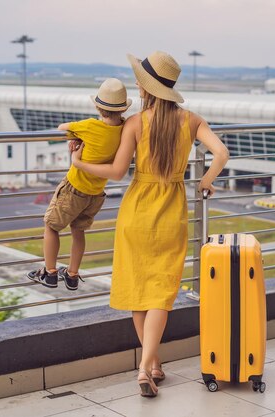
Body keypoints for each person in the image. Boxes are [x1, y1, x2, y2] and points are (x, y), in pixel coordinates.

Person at [72, 51, 228, 397]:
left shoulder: (135, 123)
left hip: (136, 210)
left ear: (144, 88)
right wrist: (205, 182)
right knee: (161, 291)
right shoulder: (191, 120)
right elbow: (222, 153)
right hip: (171, 209)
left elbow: (115, 172)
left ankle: (149, 365)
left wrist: (79, 163)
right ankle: (150, 364)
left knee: (138, 293)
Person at [26, 78, 132, 290]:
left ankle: (50, 272)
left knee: (51, 226)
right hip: (96, 194)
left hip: (74, 188)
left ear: (97, 106)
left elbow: (61, 127)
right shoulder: (124, 130)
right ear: (122, 110)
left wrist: (77, 140)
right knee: (78, 232)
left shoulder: (90, 126)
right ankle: (72, 275)